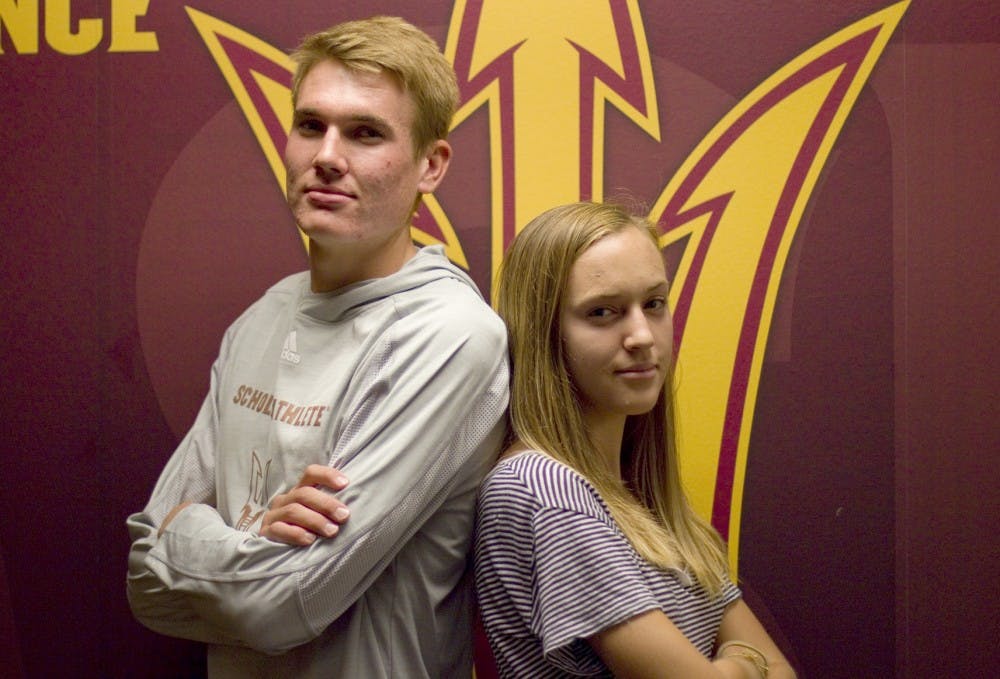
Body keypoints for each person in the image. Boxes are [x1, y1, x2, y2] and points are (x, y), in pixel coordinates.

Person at [126, 16, 509, 678]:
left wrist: (189, 534)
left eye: (365, 133)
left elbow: (284, 602)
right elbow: (140, 577)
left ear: (431, 164)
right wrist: (252, 542)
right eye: (311, 125)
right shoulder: (259, 319)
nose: (327, 154)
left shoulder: (449, 333)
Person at [475, 202, 795, 678]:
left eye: (654, 303)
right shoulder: (544, 489)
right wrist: (743, 662)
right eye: (603, 312)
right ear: (546, 335)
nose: (643, 335)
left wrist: (736, 664)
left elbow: (783, 670)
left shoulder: (641, 499)